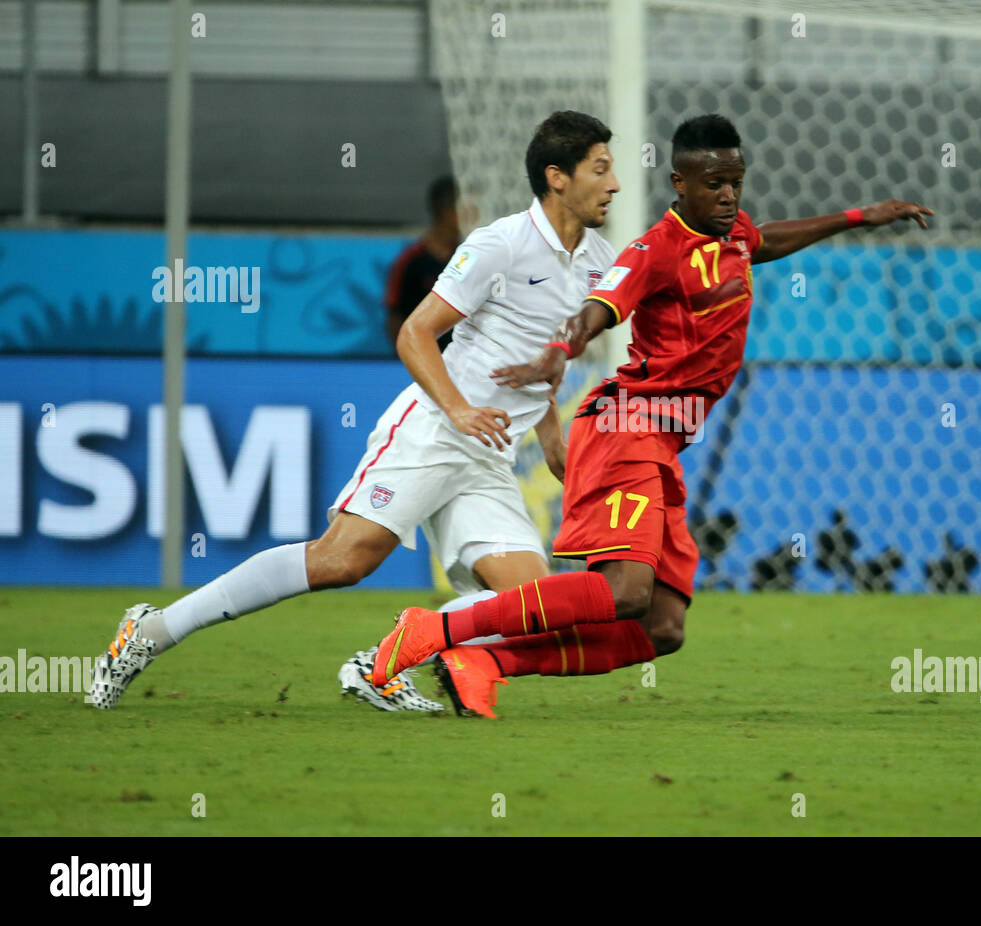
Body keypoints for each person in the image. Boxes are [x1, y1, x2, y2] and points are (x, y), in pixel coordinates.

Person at [368, 113, 932, 718]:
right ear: (678, 183)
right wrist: (561, 351)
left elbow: (765, 239)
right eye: (713, 183)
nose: (727, 194)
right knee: (623, 591)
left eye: (735, 181)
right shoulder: (652, 251)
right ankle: (435, 629)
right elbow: (597, 309)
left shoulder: (733, 234)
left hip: (663, 442)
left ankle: (485, 660)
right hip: (625, 427)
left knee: (661, 626)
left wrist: (855, 219)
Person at [89, 111, 622, 713]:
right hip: (435, 430)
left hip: (492, 453)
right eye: (600, 169)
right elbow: (416, 334)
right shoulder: (500, 244)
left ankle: (381, 664)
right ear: (557, 177)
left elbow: (533, 356)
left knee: (534, 604)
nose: (615, 184)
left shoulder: (600, 262)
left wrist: (550, 438)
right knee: (342, 560)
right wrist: (460, 410)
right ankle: (152, 631)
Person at [384, 175, 466, 352]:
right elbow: (394, 316)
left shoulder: (468, 258)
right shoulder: (410, 261)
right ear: (448, 212)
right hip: (425, 360)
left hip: (461, 362)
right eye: (466, 210)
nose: (471, 215)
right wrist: (411, 357)